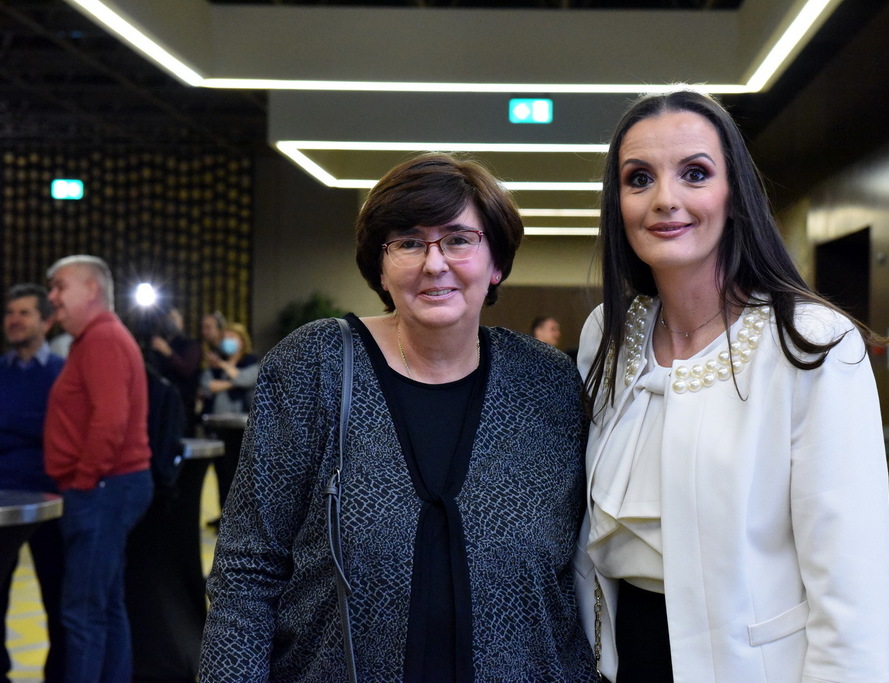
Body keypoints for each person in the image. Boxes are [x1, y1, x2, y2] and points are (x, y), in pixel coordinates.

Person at [200, 153, 596, 680]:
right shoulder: (315, 366)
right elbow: (248, 569)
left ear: (496, 262)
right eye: (408, 243)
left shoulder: (547, 384)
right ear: (381, 269)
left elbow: (579, 570)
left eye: (459, 239)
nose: (434, 263)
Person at [574, 90, 889, 682]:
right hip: (620, 660)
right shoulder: (609, 334)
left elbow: (851, 588)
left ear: (734, 193)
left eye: (694, 173)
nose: (664, 199)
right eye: (639, 178)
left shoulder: (812, 343)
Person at [43, 255, 153, 683]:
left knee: (83, 613)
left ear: (91, 289)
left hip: (104, 486)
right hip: (110, 485)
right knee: (105, 606)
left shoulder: (102, 339)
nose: (52, 297)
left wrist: (85, 480)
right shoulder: (95, 338)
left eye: (60, 286)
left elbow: (110, 419)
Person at [0, 284, 66, 683]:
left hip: (50, 498)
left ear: (46, 322)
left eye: (24, 313)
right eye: (10, 312)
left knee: (56, 596)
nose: (14, 320)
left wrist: (11, 428)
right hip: (2, 501)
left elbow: (59, 434)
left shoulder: (62, 373)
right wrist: (31, 428)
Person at [198, 321, 259, 527]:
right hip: (218, 427)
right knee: (222, 473)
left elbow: (246, 379)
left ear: (242, 341)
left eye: (232, 337)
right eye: (225, 338)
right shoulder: (214, 365)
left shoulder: (251, 362)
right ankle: (224, 515)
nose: (227, 341)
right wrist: (232, 380)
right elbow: (207, 386)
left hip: (242, 429)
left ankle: (240, 519)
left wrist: (225, 372)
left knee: (240, 475)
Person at [149, 307, 202, 437]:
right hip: (160, 404)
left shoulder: (191, 344)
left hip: (183, 404)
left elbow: (187, 370)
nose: (170, 322)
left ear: (182, 322)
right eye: (168, 319)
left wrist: (168, 352)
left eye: (174, 319)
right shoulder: (156, 345)